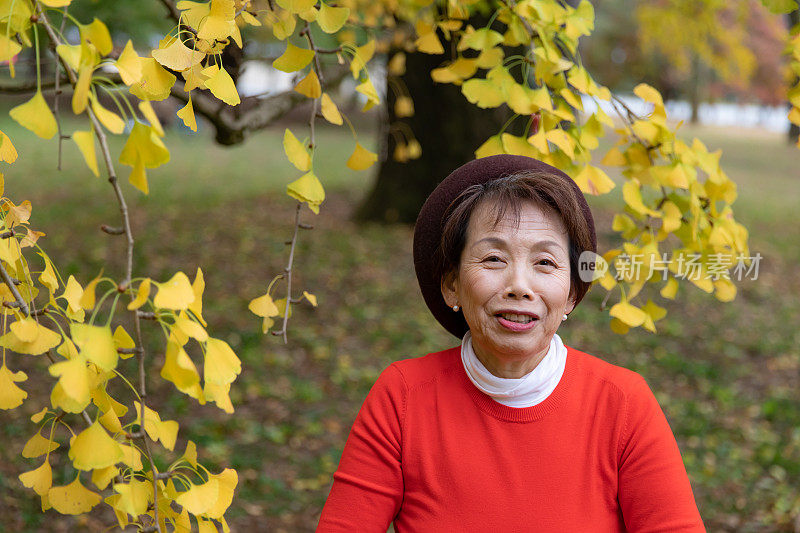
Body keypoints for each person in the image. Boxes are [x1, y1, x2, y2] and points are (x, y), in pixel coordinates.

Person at [316, 155, 705, 532]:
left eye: (545, 263)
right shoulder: (403, 396)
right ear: (452, 284)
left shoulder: (622, 403)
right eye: (494, 258)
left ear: (571, 293)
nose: (519, 286)